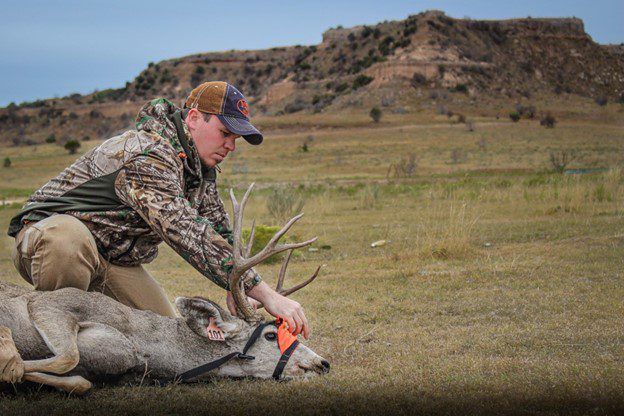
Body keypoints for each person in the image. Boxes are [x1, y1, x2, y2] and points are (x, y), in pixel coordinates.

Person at [6, 81, 310, 339]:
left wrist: (235, 283)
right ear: (193, 119)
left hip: (111, 259)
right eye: (224, 133)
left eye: (235, 138)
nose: (231, 145)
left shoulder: (199, 171)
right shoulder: (148, 152)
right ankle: (50, 346)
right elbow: (186, 229)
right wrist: (265, 294)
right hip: (46, 239)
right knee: (68, 240)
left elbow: (217, 231)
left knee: (166, 334)